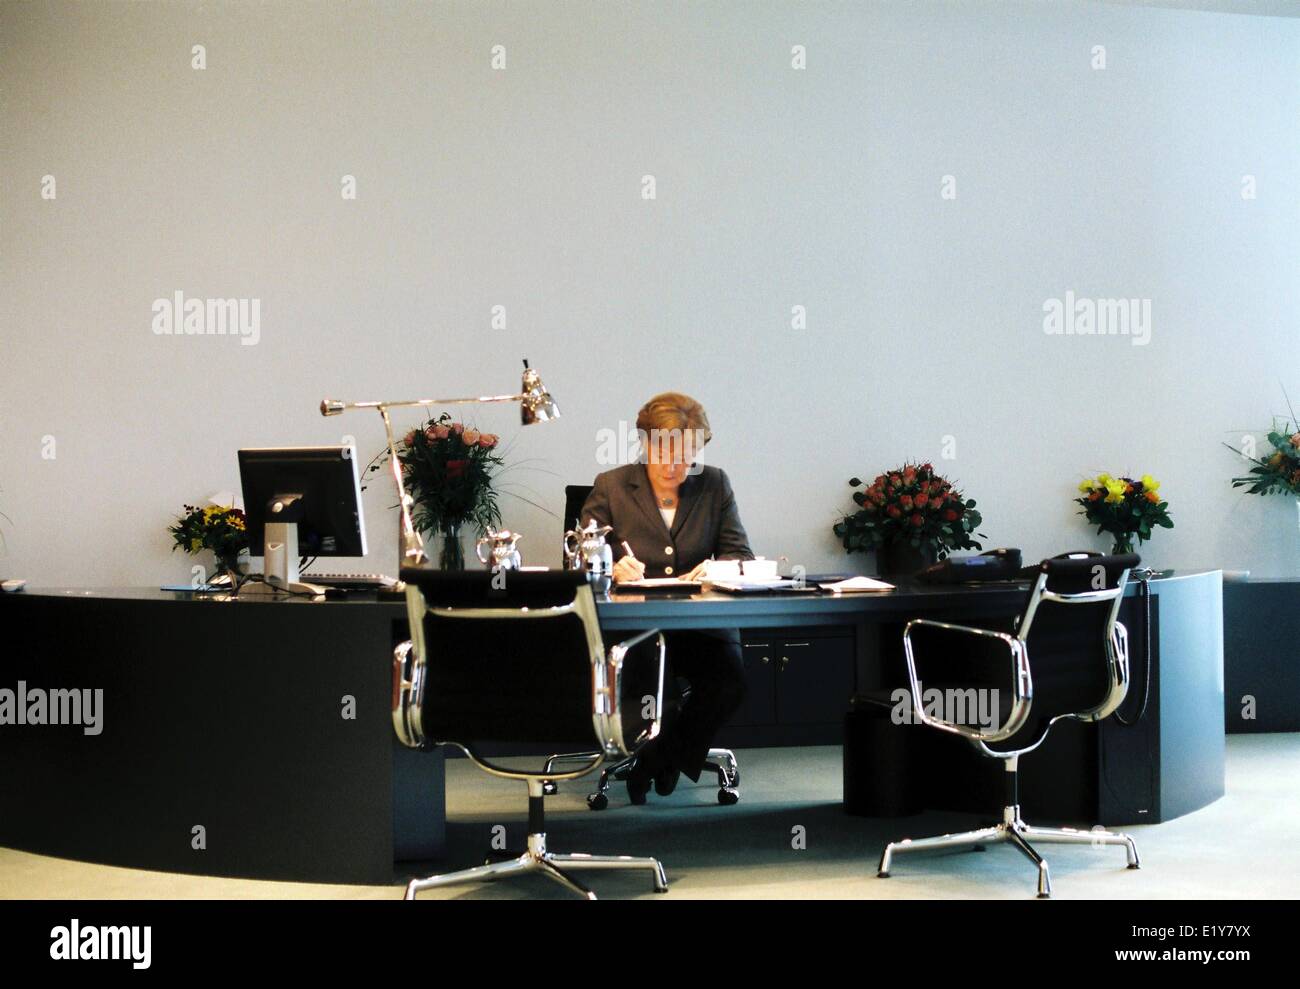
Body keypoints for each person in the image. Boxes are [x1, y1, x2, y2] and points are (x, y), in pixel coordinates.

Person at [579, 391, 752, 803]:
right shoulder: (613, 486)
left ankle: (659, 760)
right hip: (636, 628)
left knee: (730, 683)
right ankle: (663, 757)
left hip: (701, 625)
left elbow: (739, 554)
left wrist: (717, 568)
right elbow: (580, 557)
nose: (678, 466)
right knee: (658, 694)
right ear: (646, 444)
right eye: (668, 454)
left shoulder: (715, 483)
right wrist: (612, 564)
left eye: (689, 455)